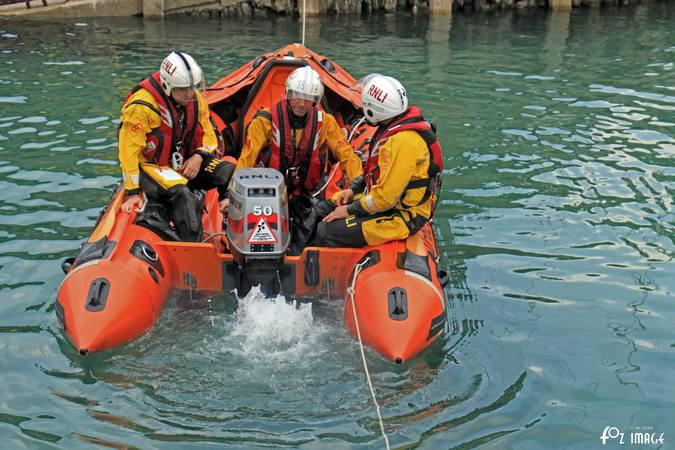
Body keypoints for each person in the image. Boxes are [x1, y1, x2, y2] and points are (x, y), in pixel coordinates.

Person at [235, 66, 364, 253]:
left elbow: (346, 155)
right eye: (297, 95)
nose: (302, 103)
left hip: (306, 192)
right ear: (288, 93)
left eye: (308, 98)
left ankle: (300, 253)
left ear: (315, 100)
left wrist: (356, 187)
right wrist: (232, 196)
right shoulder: (264, 121)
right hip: (267, 191)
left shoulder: (326, 123)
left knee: (315, 222)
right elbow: (247, 158)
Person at [118, 50, 234, 242]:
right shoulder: (142, 108)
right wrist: (132, 192)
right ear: (167, 85)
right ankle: (190, 250)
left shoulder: (195, 99)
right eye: (183, 89)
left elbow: (209, 135)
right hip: (152, 168)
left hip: (185, 161)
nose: (190, 93)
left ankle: (229, 217)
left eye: (192, 87)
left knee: (230, 171)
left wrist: (198, 156)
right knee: (184, 196)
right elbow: (128, 152)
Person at [316, 74, 443, 248]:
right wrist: (353, 191)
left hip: (403, 215)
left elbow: (385, 198)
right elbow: (374, 172)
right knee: (324, 208)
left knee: (327, 232)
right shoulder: (392, 128)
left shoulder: (404, 141)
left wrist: (348, 210)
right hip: (388, 203)